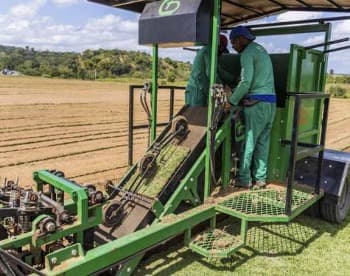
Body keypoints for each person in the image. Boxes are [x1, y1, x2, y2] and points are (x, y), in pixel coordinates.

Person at [228, 26, 276, 188]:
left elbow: (246, 82)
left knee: (248, 141)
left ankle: (244, 179)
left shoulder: (247, 53)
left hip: (257, 104)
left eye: (233, 42)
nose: (232, 46)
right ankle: (260, 179)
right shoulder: (261, 50)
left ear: (241, 39)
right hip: (270, 103)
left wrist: (231, 101)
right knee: (263, 142)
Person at [185, 34, 235, 106]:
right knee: (197, 115)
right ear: (220, 46)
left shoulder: (211, 53)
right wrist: (223, 89)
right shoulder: (209, 51)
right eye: (222, 50)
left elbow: (219, 71)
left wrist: (233, 79)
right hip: (196, 91)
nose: (221, 53)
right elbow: (211, 74)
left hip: (201, 90)